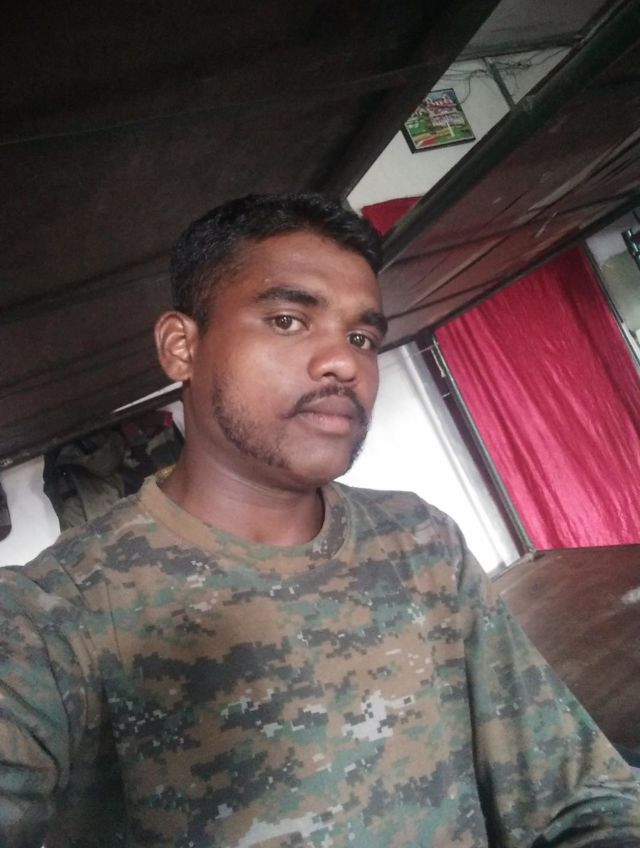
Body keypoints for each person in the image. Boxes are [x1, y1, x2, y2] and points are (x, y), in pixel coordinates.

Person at [1, 193, 639, 848]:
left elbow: (576, 795)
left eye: (362, 337)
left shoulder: (420, 540)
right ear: (182, 347)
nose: (344, 361)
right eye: (287, 320)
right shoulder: (49, 620)